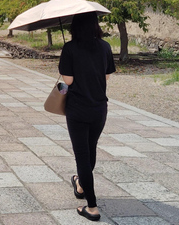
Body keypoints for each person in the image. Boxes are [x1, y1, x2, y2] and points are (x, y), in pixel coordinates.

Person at [59, 11, 115, 222]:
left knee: (82, 155)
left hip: (77, 109)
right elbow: (106, 76)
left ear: (74, 26)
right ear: (95, 25)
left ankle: (91, 207)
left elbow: (68, 81)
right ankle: (81, 184)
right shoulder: (105, 47)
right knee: (90, 149)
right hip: (99, 108)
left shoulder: (70, 48)